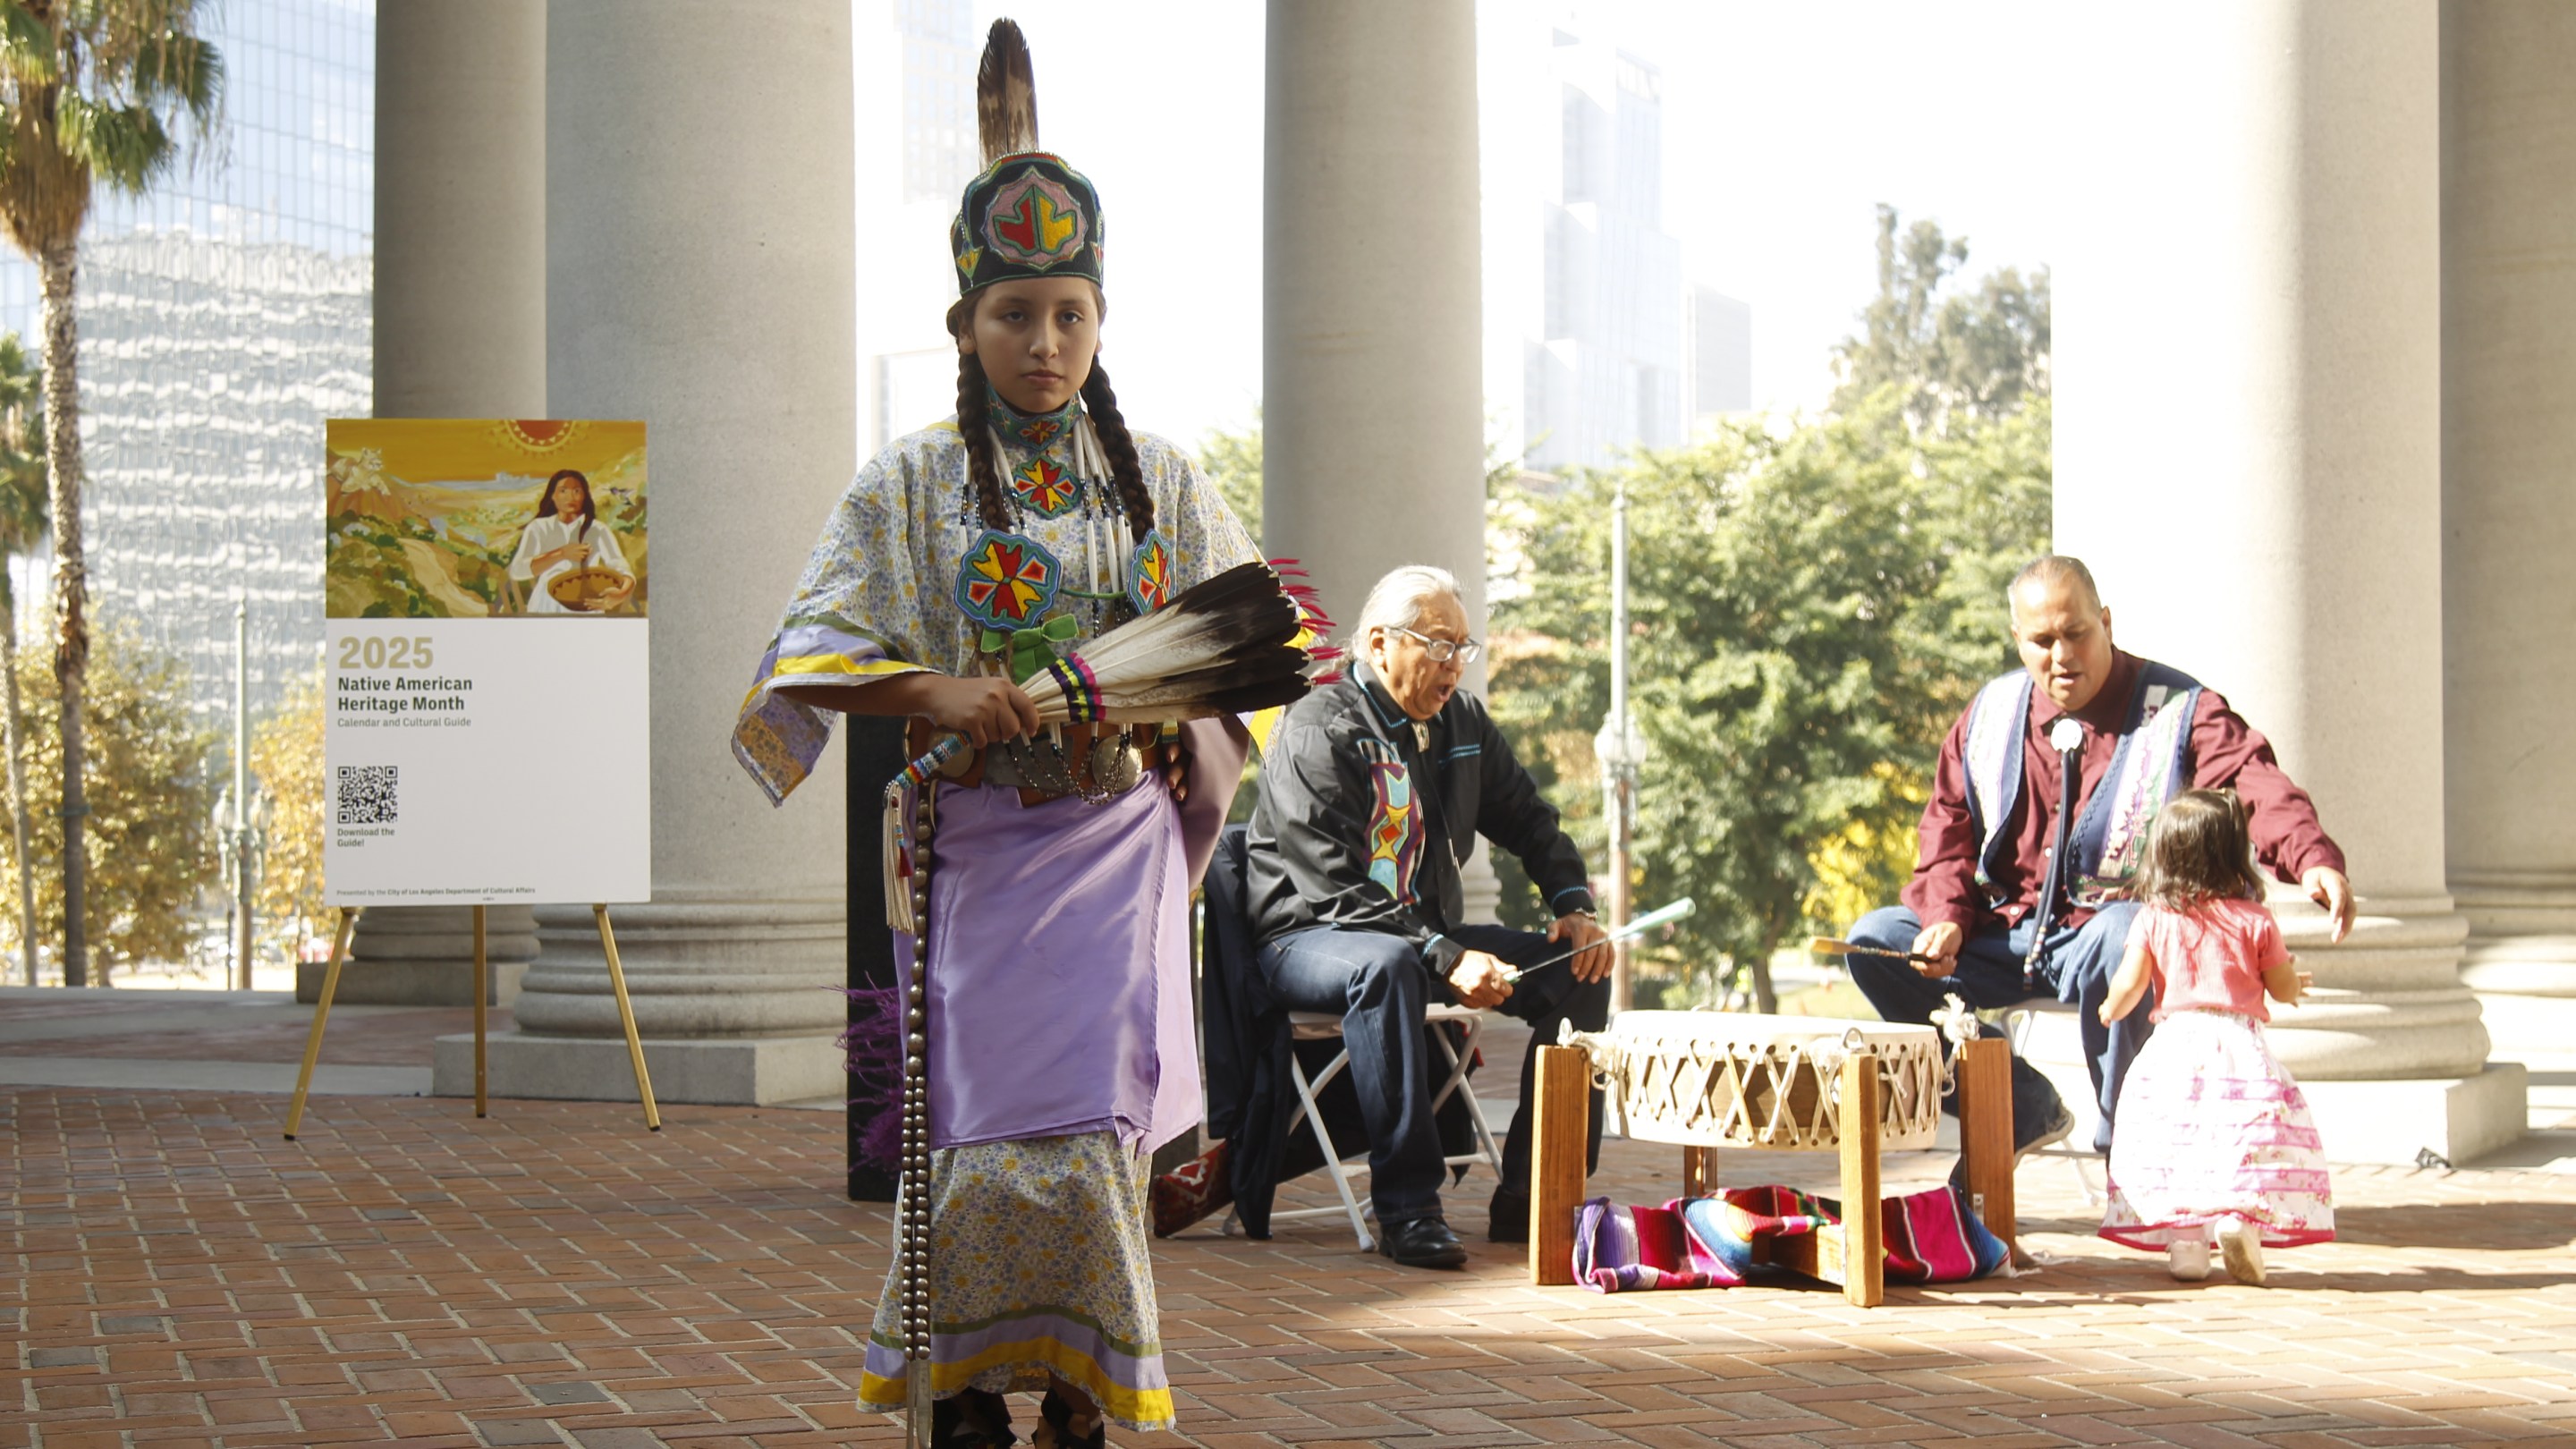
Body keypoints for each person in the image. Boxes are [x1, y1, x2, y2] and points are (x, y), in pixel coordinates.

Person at [729, 22, 1257, 1447]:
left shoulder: (1161, 485)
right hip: (972, 855)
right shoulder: (908, 484)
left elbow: (1253, 653)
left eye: (1071, 315)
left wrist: (1168, 717)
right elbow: (802, 660)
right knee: (969, 1153)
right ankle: (959, 1395)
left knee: (1090, 1147)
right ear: (965, 323)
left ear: (1101, 322)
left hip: (1110, 854)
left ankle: (1083, 1395)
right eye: (1016, 315)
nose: (1046, 345)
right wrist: (937, 692)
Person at [1843, 555, 2355, 1158]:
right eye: (2042, 641)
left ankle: (2132, 1154)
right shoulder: (1988, 713)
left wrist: (2311, 856)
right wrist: (1945, 918)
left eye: (2076, 633)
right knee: (1875, 941)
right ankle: (2015, 1103)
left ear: (2105, 622)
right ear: (2017, 640)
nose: (2061, 656)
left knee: (2133, 934)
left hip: (2107, 936)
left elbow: (2251, 778)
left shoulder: (2178, 708)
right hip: (1998, 933)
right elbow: (1947, 828)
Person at [1244, 564, 1612, 1268]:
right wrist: (1446, 956)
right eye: (1438, 646)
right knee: (1386, 966)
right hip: (1315, 936)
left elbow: (1532, 823)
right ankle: (1409, 1209)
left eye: (1463, 649)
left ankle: (1537, 1195)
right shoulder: (1318, 726)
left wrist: (1574, 907)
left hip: (1421, 934)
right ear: (1380, 644)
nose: (1454, 668)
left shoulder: (1460, 725)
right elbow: (1333, 889)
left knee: (1579, 971)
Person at [2095, 789, 2334, 1285]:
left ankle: (2187, 1246)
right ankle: (2237, 1218)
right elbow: (2281, 983)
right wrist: (2293, 988)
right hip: (2237, 1049)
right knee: (2240, 1140)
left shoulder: (2155, 918)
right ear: (2233, 854)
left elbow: (2129, 983)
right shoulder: (2255, 920)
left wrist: (2110, 1008)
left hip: (2175, 1047)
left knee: (2179, 1140)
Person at [506, 469, 633, 614]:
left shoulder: (598, 529)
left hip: (587, 606)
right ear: (552, 496)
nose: (570, 497)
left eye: (577, 491)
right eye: (563, 491)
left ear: (585, 496)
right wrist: (561, 554)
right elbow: (517, 571)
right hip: (546, 605)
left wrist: (622, 593)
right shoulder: (538, 528)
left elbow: (620, 566)